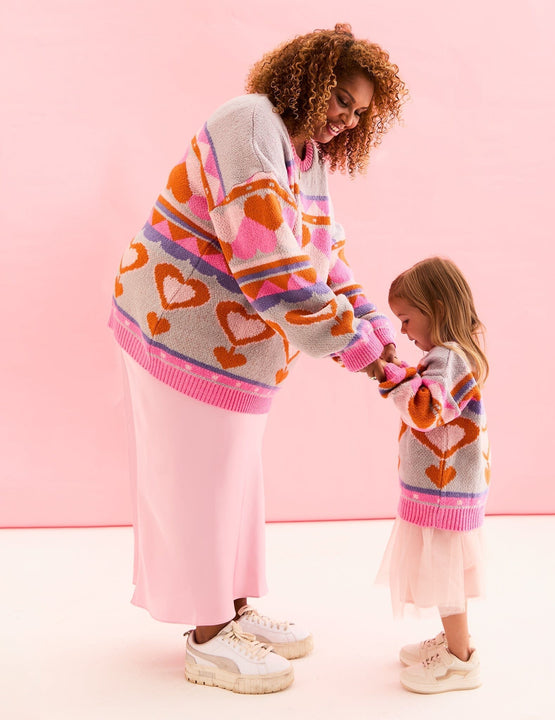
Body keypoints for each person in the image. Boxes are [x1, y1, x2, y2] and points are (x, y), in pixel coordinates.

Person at [109, 24, 407, 694]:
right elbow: (273, 267)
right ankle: (210, 639)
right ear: (305, 77)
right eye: (339, 98)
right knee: (204, 486)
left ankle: (234, 609)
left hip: (238, 352)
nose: (346, 117)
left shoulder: (307, 154)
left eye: (359, 112)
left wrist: (384, 335)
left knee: (236, 482)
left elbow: (324, 261)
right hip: (179, 331)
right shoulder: (248, 125)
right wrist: (368, 359)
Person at [374, 257, 491, 694]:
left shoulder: (449, 360)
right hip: (442, 489)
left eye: (406, 319)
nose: (404, 332)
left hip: (445, 493)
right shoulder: (446, 357)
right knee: (445, 570)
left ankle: (460, 660)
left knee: (446, 571)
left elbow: (425, 410)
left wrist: (386, 372)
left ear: (436, 309)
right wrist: (402, 372)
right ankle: (453, 640)